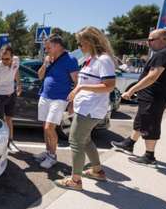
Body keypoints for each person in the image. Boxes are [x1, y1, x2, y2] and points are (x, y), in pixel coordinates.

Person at [54, 26, 116, 190]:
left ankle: (75, 181)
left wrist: (81, 89)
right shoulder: (91, 59)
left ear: (91, 41)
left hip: (91, 109)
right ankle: (97, 171)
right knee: (85, 140)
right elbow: (85, 82)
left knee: (75, 141)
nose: (79, 47)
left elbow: (109, 85)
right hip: (86, 108)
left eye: (81, 44)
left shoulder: (103, 59)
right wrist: (75, 98)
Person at [111, 29, 166, 165]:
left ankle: (149, 156)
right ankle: (129, 143)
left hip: (154, 97)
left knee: (150, 125)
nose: (148, 43)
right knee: (141, 121)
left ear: (163, 39)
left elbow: (152, 77)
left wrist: (131, 90)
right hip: (154, 96)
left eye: (151, 40)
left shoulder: (164, 53)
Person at [35, 34, 79, 169]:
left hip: (59, 98)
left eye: (48, 47)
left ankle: (53, 156)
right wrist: (44, 64)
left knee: (50, 127)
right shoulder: (50, 59)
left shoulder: (70, 59)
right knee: (45, 128)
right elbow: (40, 76)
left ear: (58, 46)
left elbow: (77, 82)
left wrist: (73, 102)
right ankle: (48, 152)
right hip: (45, 96)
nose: (46, 50)